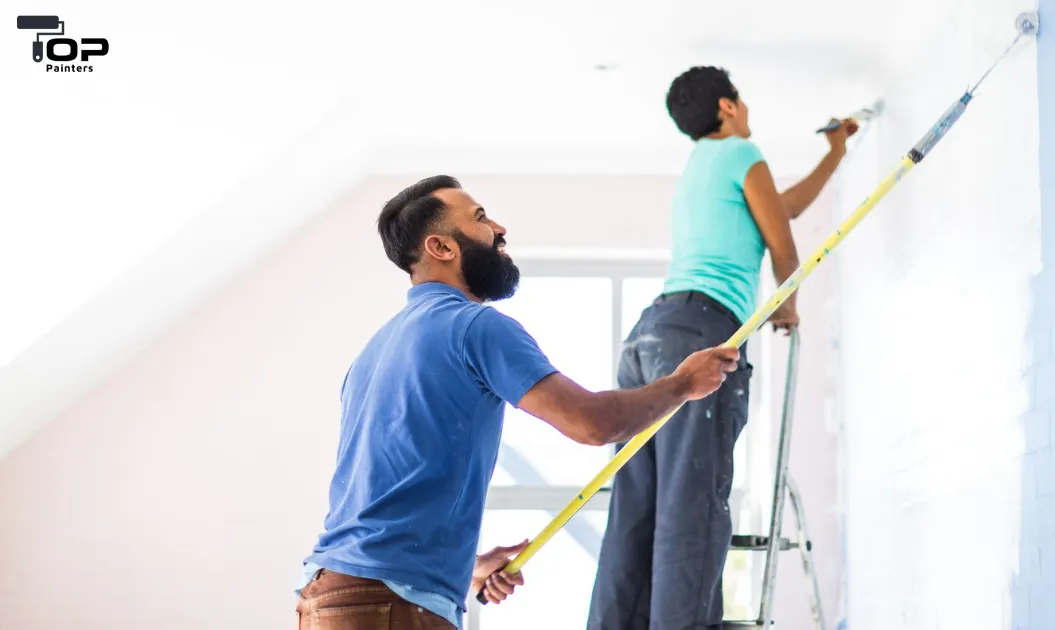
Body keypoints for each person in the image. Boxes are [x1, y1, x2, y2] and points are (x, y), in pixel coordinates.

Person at [293, 175, 743, 630]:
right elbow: (591, 423)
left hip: (331, 597)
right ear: (442, 247)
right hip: (384, 604)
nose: (500, 228)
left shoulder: (374, 350)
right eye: (481, 218)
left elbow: (384, 493)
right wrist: (683, 382)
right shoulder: (474, 326)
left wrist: (464, 570)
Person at [587, 66, 858, 630]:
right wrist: (787, 304)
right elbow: (784, 246)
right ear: (729, 107)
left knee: (636, 508)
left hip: (650, 336)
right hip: (699, 333)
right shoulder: (741, 152)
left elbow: (781, 209)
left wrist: (836, 152)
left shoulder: (702, 168)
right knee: (690, 506)